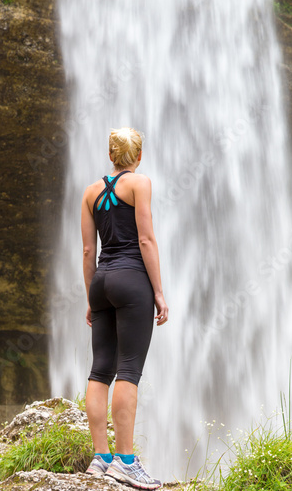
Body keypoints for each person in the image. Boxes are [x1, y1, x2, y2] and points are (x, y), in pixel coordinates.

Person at [81, 126, 168, 489]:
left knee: (100, 370)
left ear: (111, 155)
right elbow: (146, 239)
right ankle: (126, 461)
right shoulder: (140, 184)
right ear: (139, 156)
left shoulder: (89, 192)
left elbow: (88, 251)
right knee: (129, 369)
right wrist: (159, 293)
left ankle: (100, 458)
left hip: (102, 279)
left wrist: (91, 297)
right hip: (132, 280)